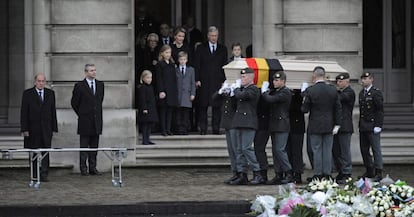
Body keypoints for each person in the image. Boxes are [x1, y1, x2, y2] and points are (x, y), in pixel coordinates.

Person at [301, 66, 342, 181]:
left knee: (317, 150)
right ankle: (328, 174)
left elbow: (305, 109)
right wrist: (337, 124)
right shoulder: (333, 89)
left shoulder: (310, 90)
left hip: (315, 125)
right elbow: (338, 109)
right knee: (327, 150)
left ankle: (318, 174)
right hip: (330, 124)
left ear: (314, 76)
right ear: (324, 76)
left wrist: (303, 95)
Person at [229, 68, 265, 185]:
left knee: (246, 148)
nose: (242, 79)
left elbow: (242, 96)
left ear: (250, 78)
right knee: (238, 149)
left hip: (249, 122)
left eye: (244, 77)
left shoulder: (253, 89)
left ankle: (257, 172)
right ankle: (242, 173)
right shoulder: (242, 90)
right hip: (239, 121)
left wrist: (235, 89)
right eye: (241, 77)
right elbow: (235, 101)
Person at [20, 73, 58, 182]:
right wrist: (24, 129)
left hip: (46, 128)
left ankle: (44, 174)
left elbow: (53, 112)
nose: (41, 83)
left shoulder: (50, 94)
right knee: (33, 152)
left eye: (43, 81)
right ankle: (34, 174)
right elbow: (24, 112)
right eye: (39, 81)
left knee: (45, 151)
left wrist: (54, 128)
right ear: (35, 82)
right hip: (32, 129)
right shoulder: (27, 94)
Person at [71, 64, 104, 176]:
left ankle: (93, 167)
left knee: (94, 147)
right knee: (84, 147)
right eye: (91, 70)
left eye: (95, 70)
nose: (94, 72)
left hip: (97, 121)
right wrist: (82, 113)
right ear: (86, 72)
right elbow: (74, 103)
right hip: (85, 121)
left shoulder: (100, 85)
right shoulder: (79, 86)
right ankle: (83, 168)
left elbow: (99, 101)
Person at [194, 26, 227, 135]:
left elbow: (224, 65)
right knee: (203, 106)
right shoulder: (201, 48)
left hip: (217, 81)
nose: (214, 38)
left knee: (217, 106)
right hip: (204, 80)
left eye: (216, 36)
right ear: (208, 36)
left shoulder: (223, 49)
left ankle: (216, 128)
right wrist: (197, 79)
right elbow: (197, 65)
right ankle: (203, 128)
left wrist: (224, 80)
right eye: (212, 36)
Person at [262, 72, 294, 184]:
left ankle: (289, 172)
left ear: (283, 81)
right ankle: (278, 174)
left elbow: (271, 100)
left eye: (277, 80)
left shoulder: (285, 92)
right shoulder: (276, 92)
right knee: (275, 151)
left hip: (282, 124)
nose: (274, 82)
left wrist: (264, 92)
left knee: (280, 149)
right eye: (274, 80)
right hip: (275, 124)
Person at [358, 72, 384, 182]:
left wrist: (378, 125)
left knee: (375, 149)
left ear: (371, 79)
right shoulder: (361, 93)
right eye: (362, 78)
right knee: (364, 149)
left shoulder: (375, 93)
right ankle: (369, 170)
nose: (363, 80)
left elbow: (380, 110)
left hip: (373, 125)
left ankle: (378, 171)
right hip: (363, 125)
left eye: (365, 78)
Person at [212, 81, 237, 184]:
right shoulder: (226, 92)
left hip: (234, 123)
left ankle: (240, 173)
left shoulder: (237, 91)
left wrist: (234, 92)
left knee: (236, 150)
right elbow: (214, 99)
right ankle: (235, 172)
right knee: (231, 151)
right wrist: (221, 90)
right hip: (227, 123)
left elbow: (237, 103)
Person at [333, 73, 355, 184]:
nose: (338, 83)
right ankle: (341, 171)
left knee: (345, 151)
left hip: (345, 126)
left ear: (347, 81)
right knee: (337, 151)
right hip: (337, 126)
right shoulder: (339, 92)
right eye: (337, 81)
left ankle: (347, 172)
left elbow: (340, 98)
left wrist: (330, 89)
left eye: (341, 81)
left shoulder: (349, 92)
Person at [155, 45, 178, 136]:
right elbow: (159, 78)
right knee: (163, 111)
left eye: (169, 53)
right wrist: (161, 90)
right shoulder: (160, 64)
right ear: (162, 53)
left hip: (171, 90)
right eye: (166, 52)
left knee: (170, 111)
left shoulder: (172, 64)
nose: (168, 54)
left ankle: (168, 129)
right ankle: (163, 129)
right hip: (164, 90)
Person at [286, 89, 305, 184]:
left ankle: (297, 174)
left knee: (296, 152)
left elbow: (299, 107)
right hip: (287, 126)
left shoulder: (299, 94)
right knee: (288, 151)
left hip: (297, 126)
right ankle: (289, 173)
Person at [175, 51, 195, 135]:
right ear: (178, 60)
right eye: (181, 59)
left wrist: (193, 94)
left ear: (186, 60)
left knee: (186, 114)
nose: (182, 61)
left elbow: (192, 82)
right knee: (179, 113)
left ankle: (185, 129)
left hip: (187, 94)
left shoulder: (191, 70)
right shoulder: (175, 70)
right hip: (178, 95)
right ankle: (179, 129)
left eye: (184, 59)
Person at [137, 70, 158, 145]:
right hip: (146, 109)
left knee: (149, 125)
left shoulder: (151, 87)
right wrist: (144, 108)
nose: (149, 79)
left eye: (150, 78)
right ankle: (144, 140)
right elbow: (142, 99)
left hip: (151, 108)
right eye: (148, 78)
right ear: (143, 78)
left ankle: (148, 139)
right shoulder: (142, 87)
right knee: (145, 125)